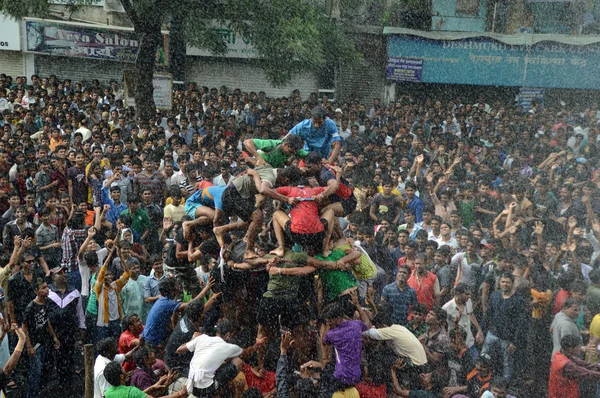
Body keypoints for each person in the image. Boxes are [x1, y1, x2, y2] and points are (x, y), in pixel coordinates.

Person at [481, 272, 527, 381]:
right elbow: (488, 314)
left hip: (507, 338)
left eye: (507, 282)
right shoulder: (495, 295)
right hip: (492, 333)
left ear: (512, 283)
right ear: (499, 282)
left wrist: (515, 341)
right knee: (484, 357)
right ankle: (484, 380)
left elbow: (521, 323)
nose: (504, 284)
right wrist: (480, 331)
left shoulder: (518, 300)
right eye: (502, 282)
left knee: (507, 364)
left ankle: (505, 385)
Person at [22, 277, 60, 398]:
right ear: (36, 291)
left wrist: (54, 337)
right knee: (35, 373)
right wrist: (29, 346)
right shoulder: (30, 307)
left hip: (44, 342)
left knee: (42, 371)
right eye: (43, 288)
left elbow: (46, 320)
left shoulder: (45, 302)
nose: (47, 290)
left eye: (47, 287)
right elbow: (24, 327)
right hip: (35, 344)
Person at [102, 360, 187, 398]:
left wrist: (151, 388)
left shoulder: (108, 392)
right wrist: (178, 394)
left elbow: (136, 396)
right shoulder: (131, 391)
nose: (124, 368)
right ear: (121, 376)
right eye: (122, 368)